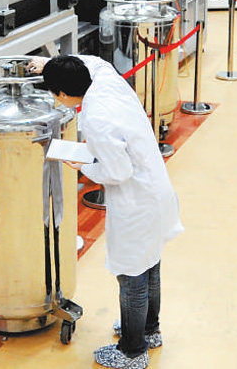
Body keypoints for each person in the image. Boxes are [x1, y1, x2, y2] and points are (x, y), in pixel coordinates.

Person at [27, 55, 184, 369]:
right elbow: (95, 61)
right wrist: (50, 63)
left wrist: (82, 165)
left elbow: (118, 172)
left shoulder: (96, 117)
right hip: (156, 188)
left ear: (61, 94)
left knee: (132, 277)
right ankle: (149, 330)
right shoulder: (104, 80)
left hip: (135, 204)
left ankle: (132, 351)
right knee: (150, 265)